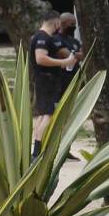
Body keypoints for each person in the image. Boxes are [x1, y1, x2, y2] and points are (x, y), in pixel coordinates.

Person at [30, 11, 77, 156]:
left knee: (42, 115)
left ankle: (36, 149)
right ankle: (38, 151)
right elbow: (41, 58)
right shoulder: (43, 38)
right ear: (56, 23)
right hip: (47, 82)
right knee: (48, 116)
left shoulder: (39, 37)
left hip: (44, 81)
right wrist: (64, 62)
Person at [54, 12, 83, 96]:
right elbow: (67, 55)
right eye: (72, 24)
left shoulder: (75, 41)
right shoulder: (55, 39)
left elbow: (83, 56)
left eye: (75, 24)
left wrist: (73, 54)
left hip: (76, 77)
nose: (74, 27)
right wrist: (74, 54)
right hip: (61, 80)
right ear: (63, 23)